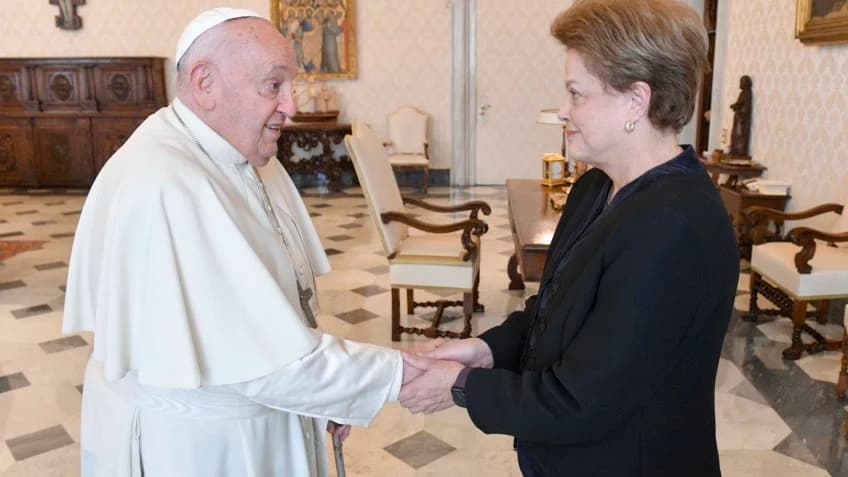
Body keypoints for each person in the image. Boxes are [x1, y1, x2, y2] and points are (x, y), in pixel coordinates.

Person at [63, 8, 420, 477]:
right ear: (204, 83)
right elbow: (263, 365)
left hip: (261, 418)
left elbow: (276, 310)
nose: (291, 105)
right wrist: (405, 376)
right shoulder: (166, 182)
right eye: (273, 85)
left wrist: (330, 394)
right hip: (202, 448)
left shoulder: (246, 156)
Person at [399, 1, 739, 476]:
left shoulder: (673, 225)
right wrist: (486, 351)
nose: (562, 111)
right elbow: (553, 313)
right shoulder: (595, 187)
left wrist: (461, 386)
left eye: (577, 94)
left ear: (635, 101)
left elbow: (582, 399)